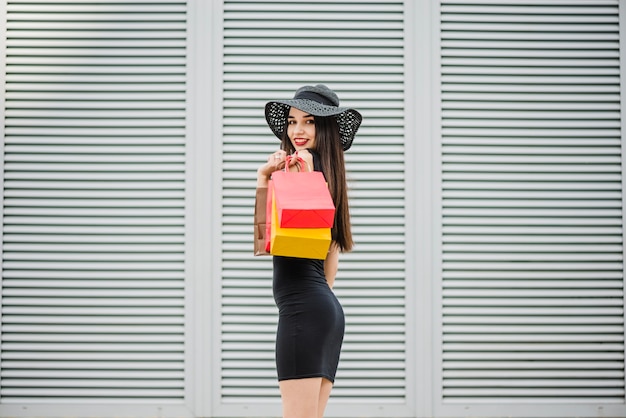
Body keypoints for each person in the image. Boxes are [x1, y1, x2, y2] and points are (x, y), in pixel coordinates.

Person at [256, 84, 362, 418]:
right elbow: (325, 266)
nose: (298, 131)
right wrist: (265, 178)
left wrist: (275, 179)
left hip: (303, 312)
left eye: (310, 122)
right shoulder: (328, 177)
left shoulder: (305, 172)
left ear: (325, 128)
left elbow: (265, 243)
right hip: (324, 311)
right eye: (292, 121)